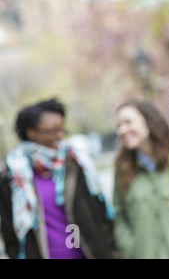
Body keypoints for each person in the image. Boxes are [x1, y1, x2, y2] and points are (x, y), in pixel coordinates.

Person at [0, 98, 120, 259]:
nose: (60, 136)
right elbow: (9, 231)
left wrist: (112, 251)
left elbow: (100, 214)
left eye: (62, 129)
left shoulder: (77, 163)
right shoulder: (13, 176)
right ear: (31, 132)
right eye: (52, 130)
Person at [113, 100, 169, 258]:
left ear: (148, 121)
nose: (122, 130)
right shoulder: (122, 170)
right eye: (119, 125)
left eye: (128, 122)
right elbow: (119, 215)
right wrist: (131, 250)